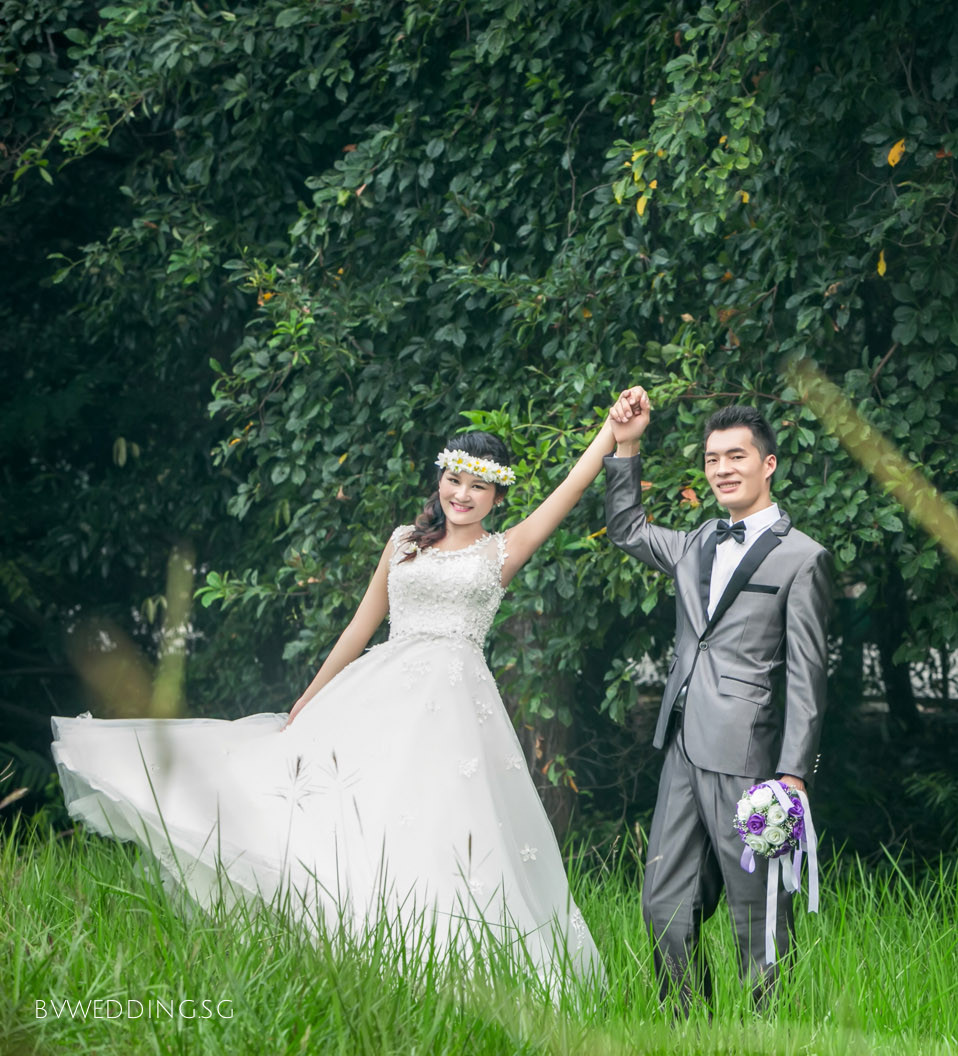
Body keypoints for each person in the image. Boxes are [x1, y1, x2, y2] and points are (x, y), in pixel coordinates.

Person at [50, 424, 617, 990]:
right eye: (453, 479)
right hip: (381, 691)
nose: (462, 495)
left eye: (477, 486)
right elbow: (359, 627)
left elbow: (569, 488)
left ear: (498, 496)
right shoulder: (403, 544)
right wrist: (311, 695)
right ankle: (342, 949)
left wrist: (611, 434)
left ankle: (439, 963)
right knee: (341, 811)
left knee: (442, 825)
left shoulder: (503, 550)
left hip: (457, 712)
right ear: (439, 479)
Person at [602, 387, 833, 1010]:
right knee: (662, 900)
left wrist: (793, 773)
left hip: (748, 750)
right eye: (711, 459)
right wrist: (627, 443)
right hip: (681, 740)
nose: (722, 469)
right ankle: (685, 1023)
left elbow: (808, 675)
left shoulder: (802, 558)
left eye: (735, 456)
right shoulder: (697, 541)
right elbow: (626, 528)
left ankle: (769, 1028)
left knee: (756, 906)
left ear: (768, 464)